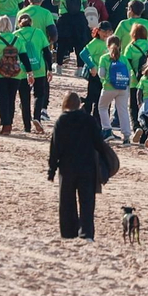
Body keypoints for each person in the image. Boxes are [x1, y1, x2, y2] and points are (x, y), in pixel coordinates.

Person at [47, 93, 115, 240]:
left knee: (67, 201)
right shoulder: (89, 120)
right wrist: (106, 163)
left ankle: (69, 233)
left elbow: (55, 148)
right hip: (88, 166)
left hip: (67, 167)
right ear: (79, 104)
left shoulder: (61, 121)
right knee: (87, 201)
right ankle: (86, 233)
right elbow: (99, 143)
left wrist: (51, 170)